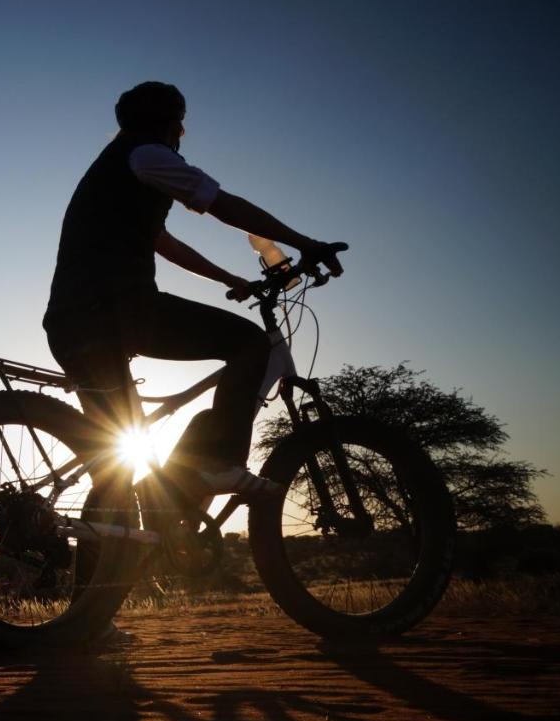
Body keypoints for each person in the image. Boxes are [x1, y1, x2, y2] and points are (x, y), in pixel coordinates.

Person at [43, 81, 347, 527]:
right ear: (169, 124)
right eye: (179, 123)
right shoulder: (146, 154)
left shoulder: (118, 172)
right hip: (114, 311)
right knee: (249, 343)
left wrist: (228, 278)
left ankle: (99, 583)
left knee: (116, 473)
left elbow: (161, 241)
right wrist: (305, 243)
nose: (182, 132)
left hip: (75, 323)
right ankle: (215, 461)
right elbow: (223, 205)